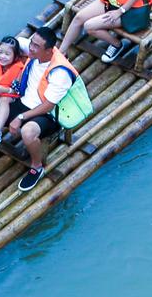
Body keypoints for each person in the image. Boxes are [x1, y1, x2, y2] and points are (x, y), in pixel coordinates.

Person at [8, 25, 90, 193]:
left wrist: (21, 117)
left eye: (36, 46)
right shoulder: (33, 50)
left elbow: (48, 106)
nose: (31, 48)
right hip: (24, 101)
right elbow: (12, 43)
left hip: (49, 114)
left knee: (28, 133)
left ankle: (37, 167)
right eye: (31, 43)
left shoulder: (60, 72)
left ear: (49, 51)